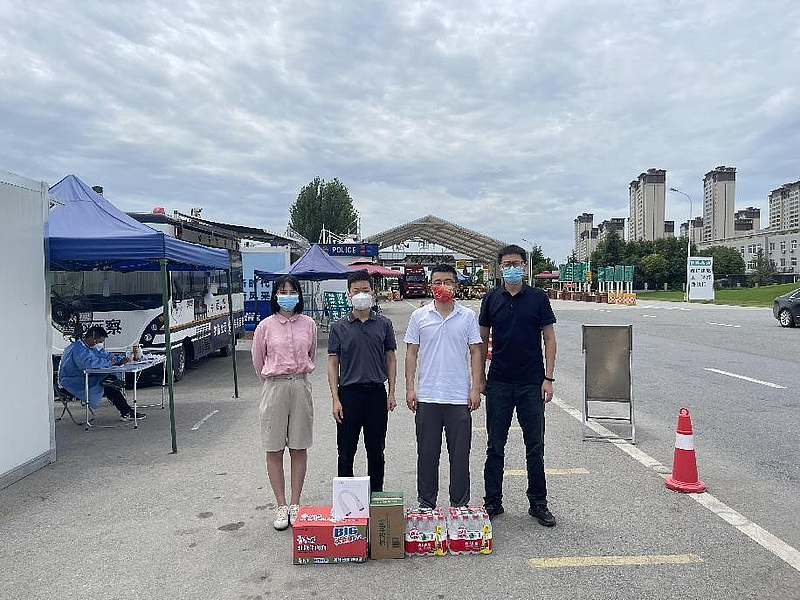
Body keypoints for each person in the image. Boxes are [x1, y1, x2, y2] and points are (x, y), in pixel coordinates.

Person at [480, 245, 557, 526]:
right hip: (499, 382)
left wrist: (548, 378)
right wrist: (479, 378)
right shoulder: (491, 299)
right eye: (506, 264)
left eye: (516, 263)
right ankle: (493, 500)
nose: (511, 268)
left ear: (525, 266)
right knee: (495, 445)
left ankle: (538, 503)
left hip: (531, 383)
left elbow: (549, 339)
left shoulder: (538, 298)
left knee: (534, 445)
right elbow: (481, 341)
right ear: (500, 268)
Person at [404, 264, 483, 508]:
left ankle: (460, 505)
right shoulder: (419, 316)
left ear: (456, 286)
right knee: (427, 455)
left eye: (448, 281)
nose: (442, 286)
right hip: (428, 396)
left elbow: (476, 352)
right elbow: (411, 353)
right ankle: (426, 503)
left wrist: (475, 388)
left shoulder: (467, 316)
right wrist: (410, 388)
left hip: (458, 397)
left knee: (460, 457)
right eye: (437, 282)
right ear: (431, 286)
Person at [251, 275, 317, 531]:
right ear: (275, 296)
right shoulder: (265, 327)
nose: (287, 296)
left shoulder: (308, 324)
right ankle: (280, 505)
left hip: (300, 384)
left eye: (292, 291)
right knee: (274, 447)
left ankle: (295, 503)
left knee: (299, 446)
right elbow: (258, 361)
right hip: (275, 386)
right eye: (282, 291)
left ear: (299, 295)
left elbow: (311, 354)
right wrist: (273, 382)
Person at [327, 270, 397, 492]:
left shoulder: (384, 324)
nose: (361, 295)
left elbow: (390, 358)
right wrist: (335, 399)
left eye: (365, 290)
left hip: (376, 393)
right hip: (349, 395)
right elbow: (332, 363)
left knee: (376, 450)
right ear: (348, 294)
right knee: (346, 450)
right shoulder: (339, 327)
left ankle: (375, 496)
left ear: (373, 293)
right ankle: (346, 498)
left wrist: (391, 392)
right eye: (356, 291)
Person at [57, 325, 144, 421]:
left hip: (85, 377)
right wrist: (109, 362)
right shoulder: (77, 349)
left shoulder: (90, 347)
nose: (100, 344)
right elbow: (88, 364)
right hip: (71, 381)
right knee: (108, 386)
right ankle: (126, 412)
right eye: (99, 342)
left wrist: (119, 359)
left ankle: (125, 409)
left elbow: (105, 355)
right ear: (93, 338)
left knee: (109, 381)